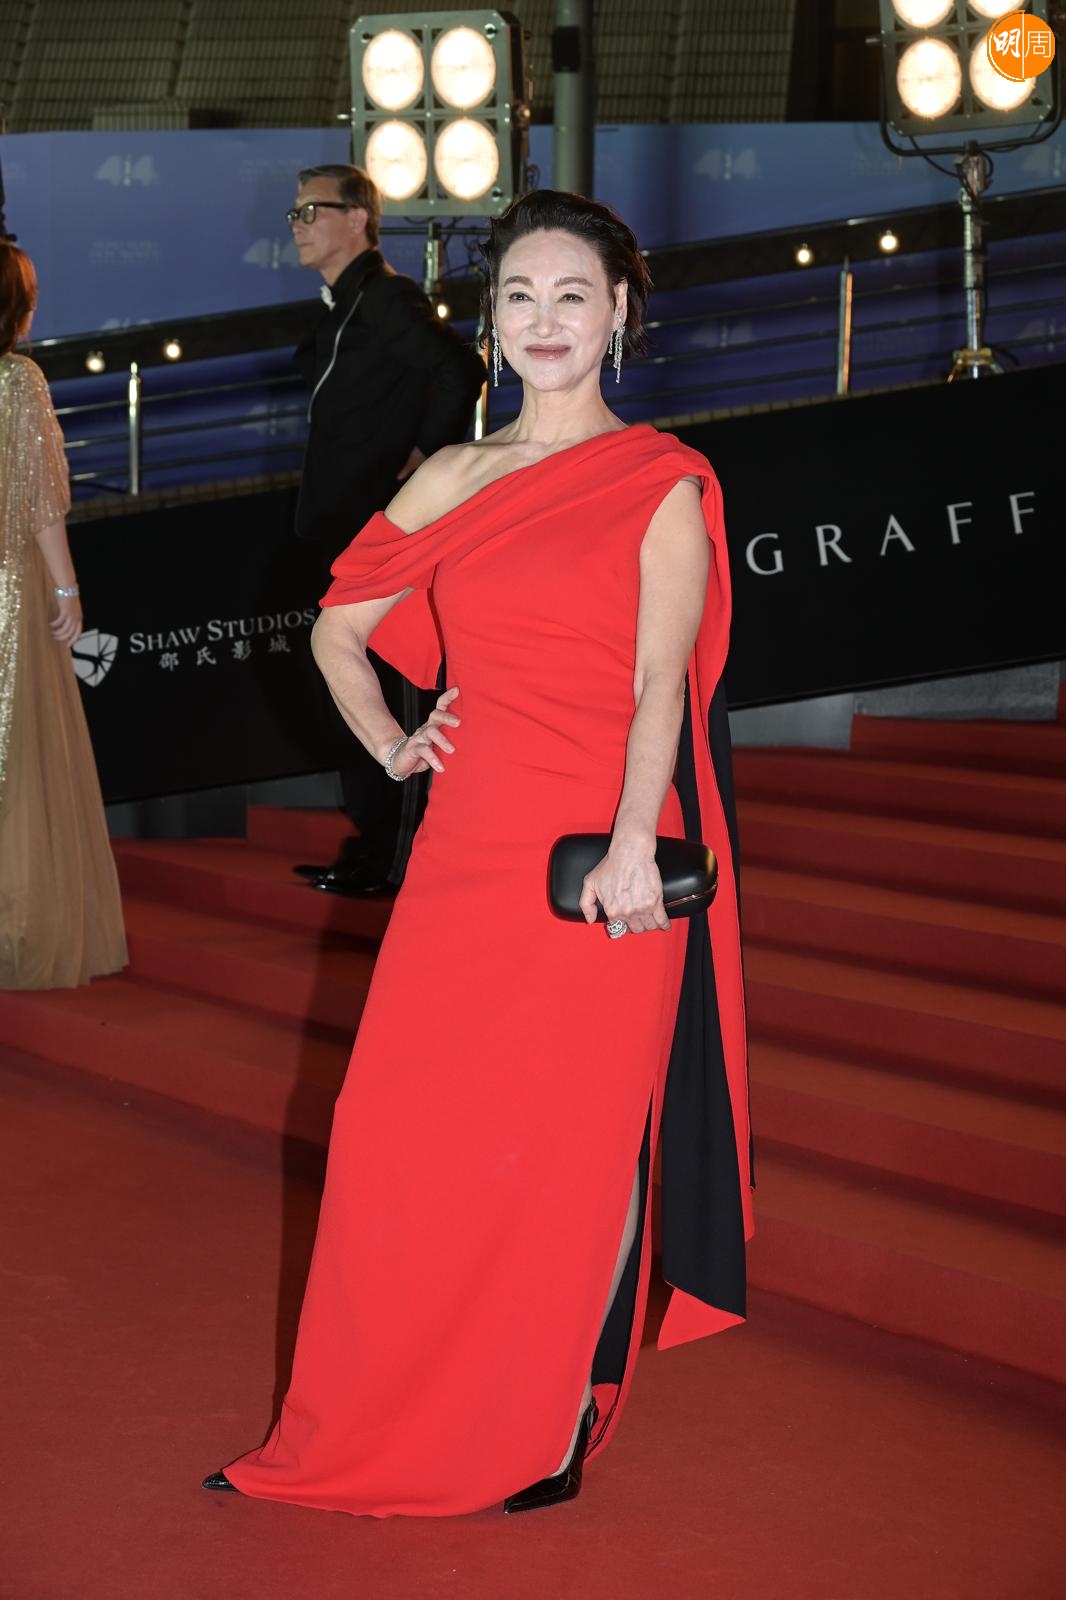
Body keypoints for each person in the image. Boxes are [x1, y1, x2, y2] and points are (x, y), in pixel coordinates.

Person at [204, 190, 751, 1517]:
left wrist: (635, 844)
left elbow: (661, 682)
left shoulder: (660, 479)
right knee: (392, 1136)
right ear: (489, 317)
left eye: (573, 295)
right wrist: (397, 743)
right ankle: (362, 1421)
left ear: (619, 312)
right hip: (469, 849)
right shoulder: (448, 475)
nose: (545, 320)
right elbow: (338, 629)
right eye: (519, 295)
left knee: (574, 1148)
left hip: (598, 862)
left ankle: (554, 1411)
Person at [289, 163, 485, 896]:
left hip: (380, 539)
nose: (299, 225)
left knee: (389, 692)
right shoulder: (346, 305)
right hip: (342, 534)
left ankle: (397, 859)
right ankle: (374, 849)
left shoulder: (387, 297)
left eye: (311, 210)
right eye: (295, 213)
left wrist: (425, 460)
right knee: (347, 692)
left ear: (358, 218)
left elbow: (462, 370)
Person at [0, 242, 127, 988]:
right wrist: (66, 590)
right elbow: (43, 497)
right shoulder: (18, 380)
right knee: (21, 756)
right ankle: (20, 927)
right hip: (11, 590)